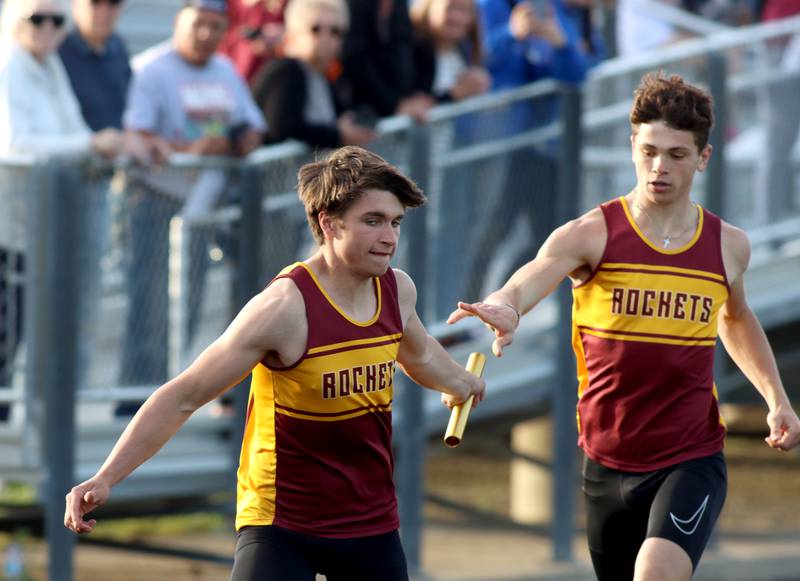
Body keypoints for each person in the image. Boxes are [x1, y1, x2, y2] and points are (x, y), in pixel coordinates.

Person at [64, 146, 486, 580]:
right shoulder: (284, 308)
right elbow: (183, 397)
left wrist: (461, 382)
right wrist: (106, 477)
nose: (390, 238)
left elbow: (420, 355)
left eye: (395, 222)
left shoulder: (397, 290)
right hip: (282, 526)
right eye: (372, 221)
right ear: (328, 223)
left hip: (370, 522)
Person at [448, 73, 800, 580]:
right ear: (632, 144)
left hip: (690, 455)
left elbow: (736, 317)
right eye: (649, 150)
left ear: (703, 158)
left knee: (655, 571)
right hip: (605, 461)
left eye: (677, 155)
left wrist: (777, 399)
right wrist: (506, 303)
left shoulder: (728, 246)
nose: (659, 167)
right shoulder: (593, 233)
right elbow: (535, 273)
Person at [118, 0, 266, 394]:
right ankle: (134, 398)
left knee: (189, 301)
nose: (206, 34)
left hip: (205, 207)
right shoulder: (150, 69)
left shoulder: (225, 70)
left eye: (216, 26)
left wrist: (241, 141)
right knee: (149, 304)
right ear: (178, 20)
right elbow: (137, 135)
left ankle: (169, 393)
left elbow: (253, 125)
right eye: (199, 23)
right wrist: (194, 147)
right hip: (157, 200)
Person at [251, 0, 375, 149]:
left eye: (336, 31)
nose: (326, 38)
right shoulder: (287, 70)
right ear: (293, 32)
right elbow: (281, 129)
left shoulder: (322, 78)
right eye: (315, 29)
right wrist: (337, 135)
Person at [218, 0, 287, 83]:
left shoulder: (281, 4)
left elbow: (297, 33)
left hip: (266, 78)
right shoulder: (227, 4)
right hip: (226, 78)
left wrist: (279, 37)